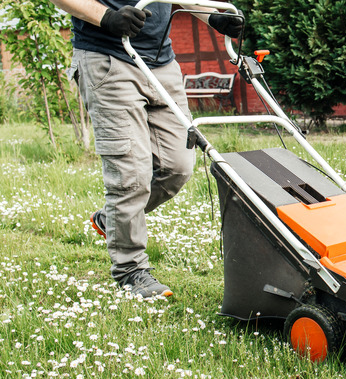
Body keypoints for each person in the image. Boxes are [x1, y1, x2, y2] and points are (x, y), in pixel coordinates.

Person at [51, 0, 242, 297]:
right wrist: (107, 18)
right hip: (109, 57)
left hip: (161, 61)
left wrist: (213, 18)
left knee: (178, 167)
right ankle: (131, 271)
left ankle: (110, 220)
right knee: (131, 176)